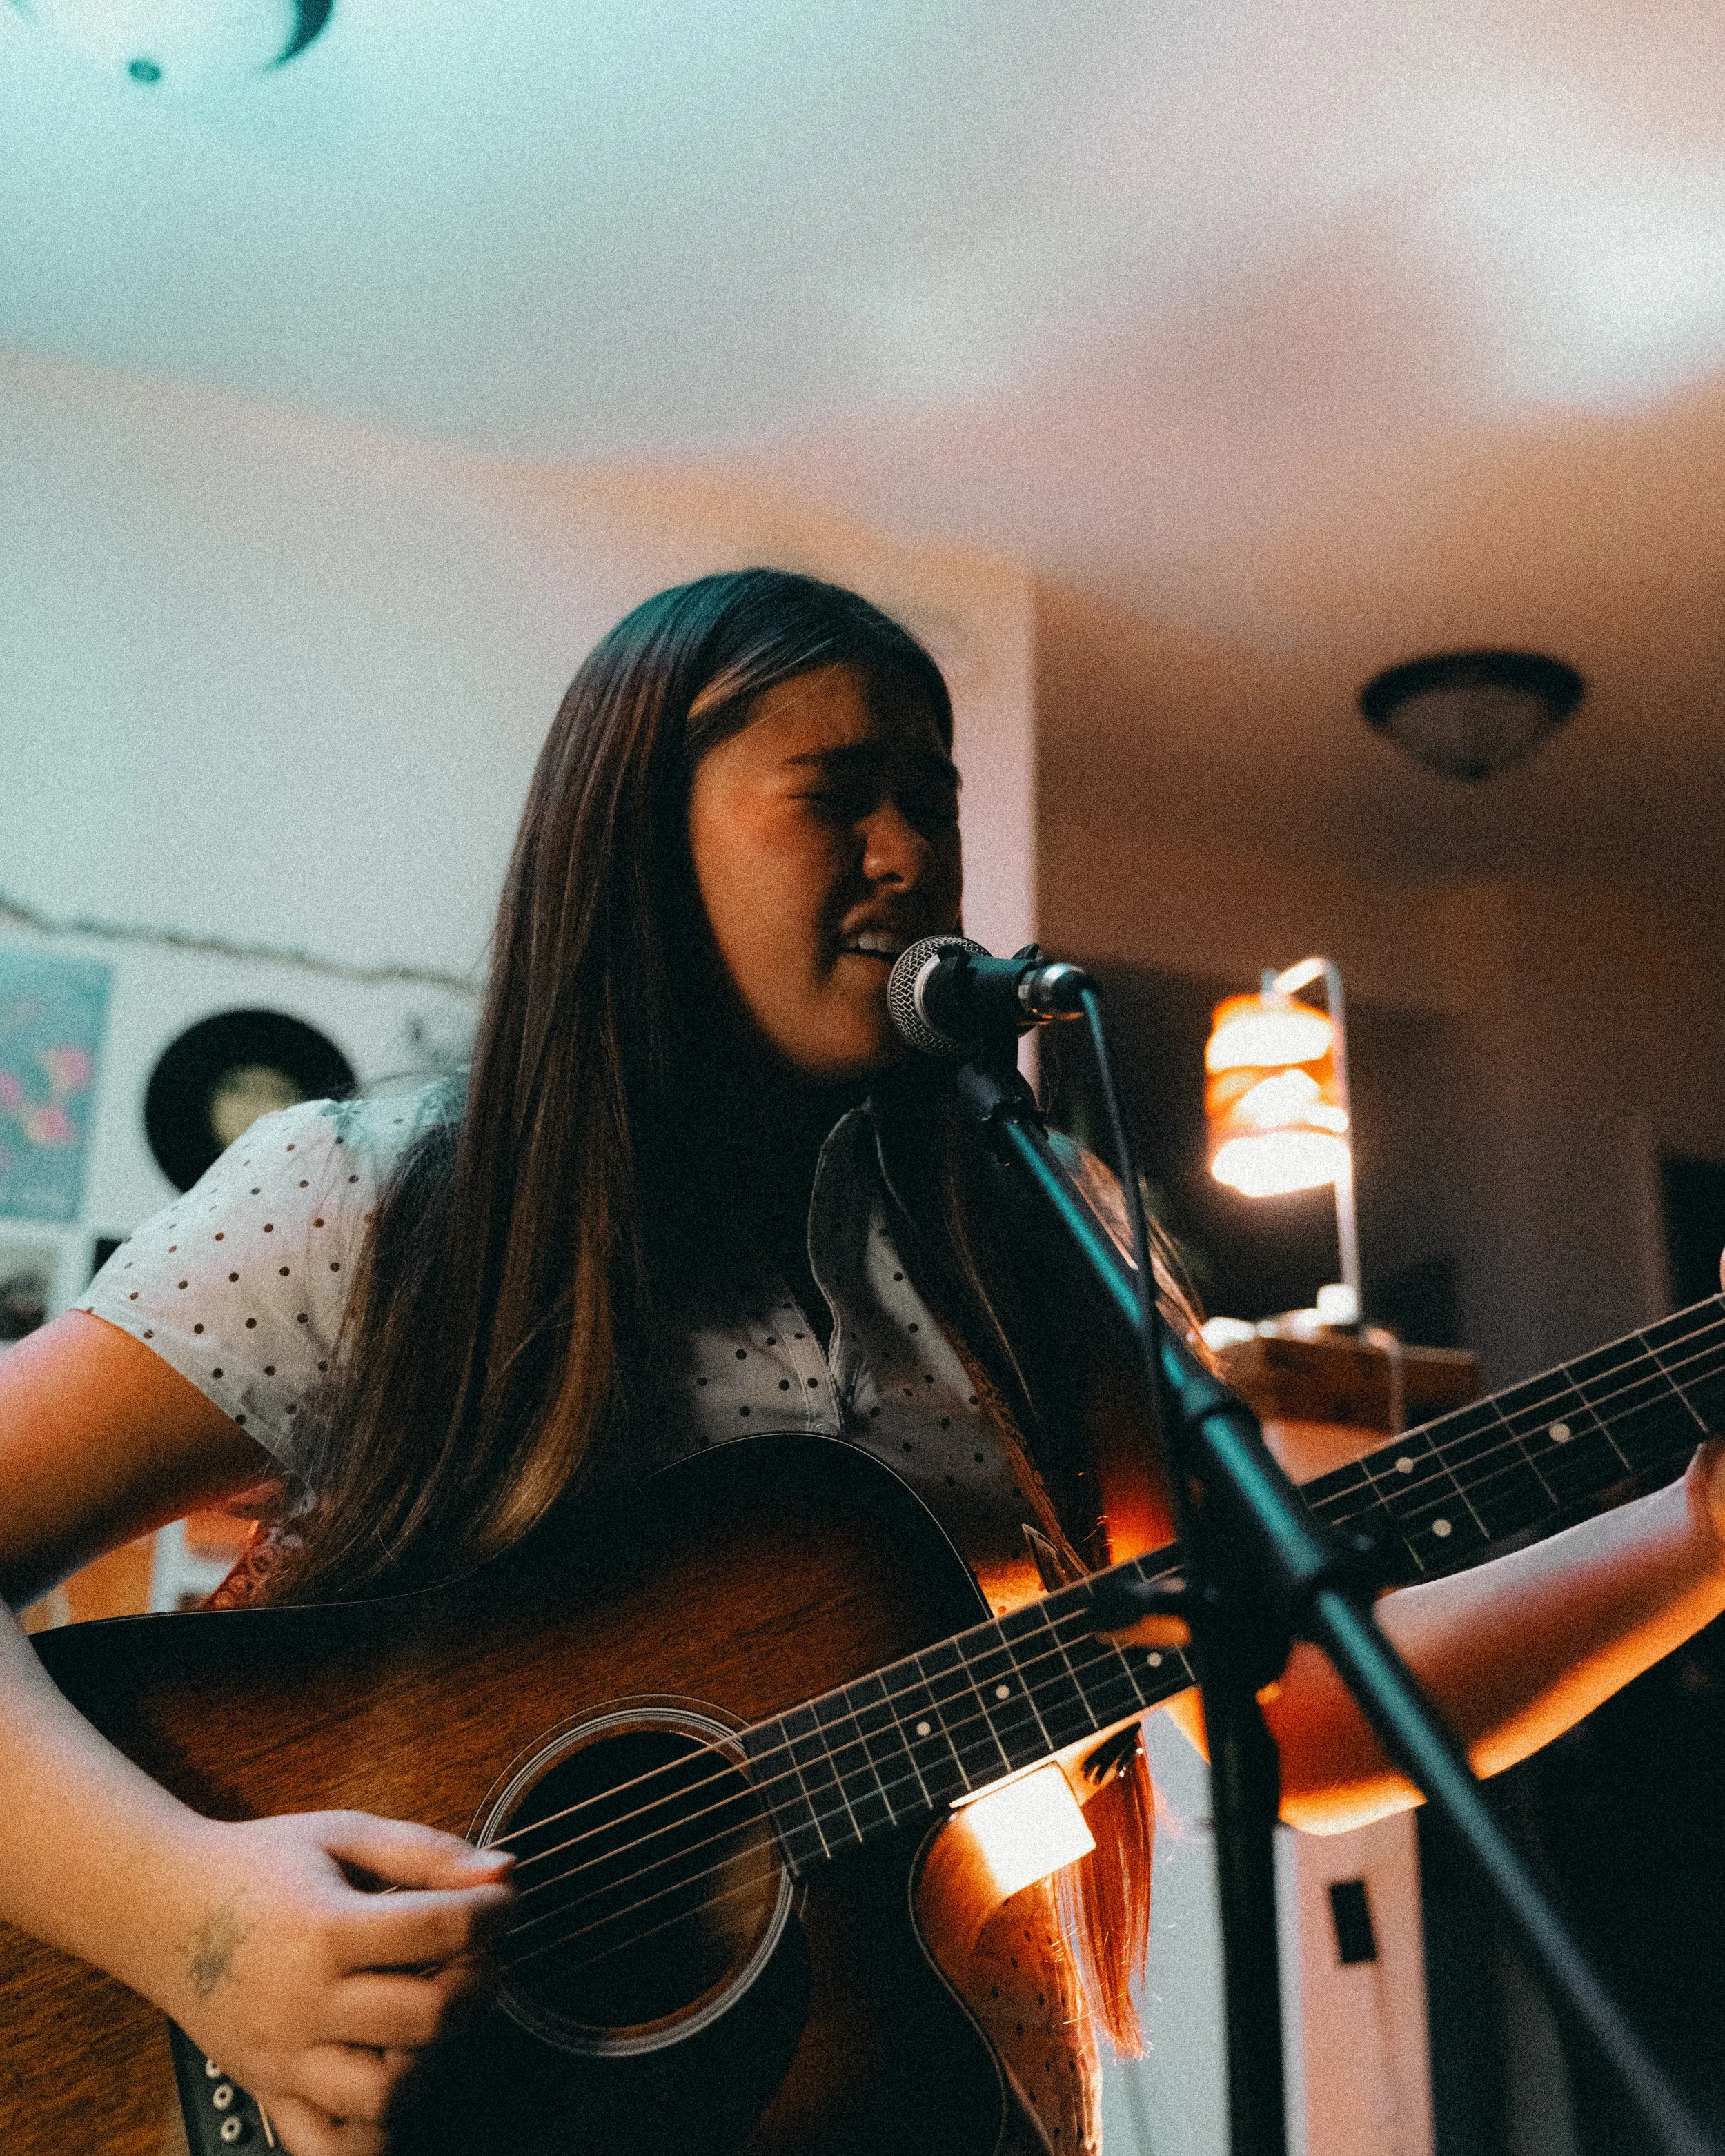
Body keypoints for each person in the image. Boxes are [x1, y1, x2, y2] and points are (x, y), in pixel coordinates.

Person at [1, 568, 1722, 2156]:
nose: (905, 849)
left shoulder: (1037, 1250)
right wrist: (195, 1922)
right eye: (836, 794)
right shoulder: (370, 1205)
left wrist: (1692, 1538)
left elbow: (1292, 1696)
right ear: (638, 846)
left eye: (934, 792)